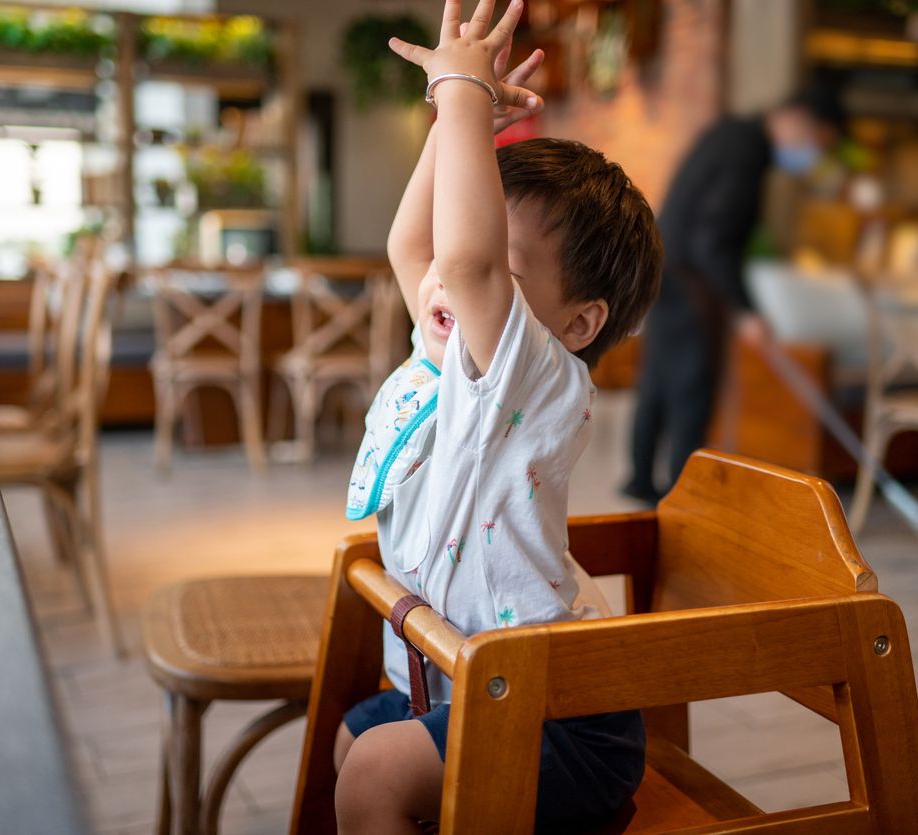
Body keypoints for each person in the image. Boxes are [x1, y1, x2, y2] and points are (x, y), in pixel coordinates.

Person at [333, 1, 664, 832]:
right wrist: (456, 134)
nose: (446, 279)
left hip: (566, 719)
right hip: (467, 683)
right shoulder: (451, 348)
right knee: (355, 740)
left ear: (578, 323)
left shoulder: (534, 376)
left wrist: (461, 96)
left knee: (375, 768)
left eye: (497, 271)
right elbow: (423, 252)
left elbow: (467, 260)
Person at [624, 84, 845, 504]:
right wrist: (746, 310)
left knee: (657, 380)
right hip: (691, 284)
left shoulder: (728, 133)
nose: (813, 154)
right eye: (819, 142)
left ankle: (639, 479)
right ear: (799, 120)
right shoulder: (748, 151)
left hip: (664, 270)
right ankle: (682, 499)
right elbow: (714, 240)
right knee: (690, 392)